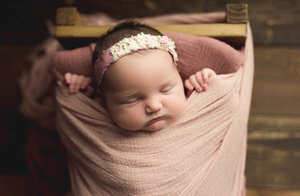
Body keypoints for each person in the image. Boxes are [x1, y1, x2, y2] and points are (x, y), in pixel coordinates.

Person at [62, 21, 216, 132]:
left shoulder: (189, 93)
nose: (155, 106)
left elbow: (219, 95)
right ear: (104, 97)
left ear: (180, 78)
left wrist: (205, 80)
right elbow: (84, 109)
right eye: (133, 99)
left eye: (166, 90)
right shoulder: (100, 106)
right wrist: (82, 91)